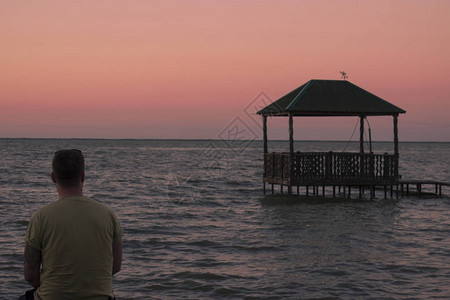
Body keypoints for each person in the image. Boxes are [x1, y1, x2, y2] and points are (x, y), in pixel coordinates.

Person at [21, 149, 122, 300]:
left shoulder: (40, 217)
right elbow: (115, 266)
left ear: (53, 177)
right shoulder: (108, 215)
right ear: (82, 176)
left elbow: (30, 275)